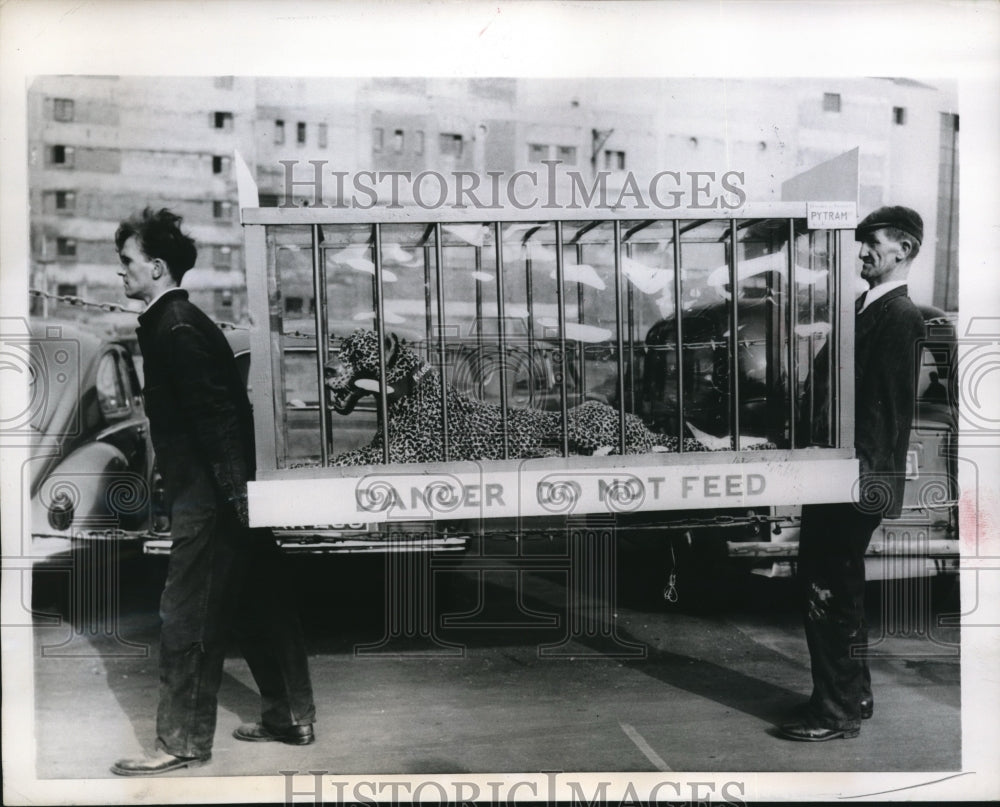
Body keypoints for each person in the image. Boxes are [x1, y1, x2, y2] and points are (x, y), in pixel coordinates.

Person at [110, 208, 316, 776]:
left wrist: (234, 500)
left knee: (186, 617)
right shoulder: (177, 320)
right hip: (221, 488)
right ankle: (290, 716)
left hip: (211, 494)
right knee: (259, 601)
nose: (119, 274)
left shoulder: (174, 327)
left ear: (155, 267)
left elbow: (219, 419)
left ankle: (180, 742)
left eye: (126, 263)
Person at [779, 206, 927, 742]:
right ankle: (853, 696)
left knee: (826, 589)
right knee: (840, 589)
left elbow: (882, 411)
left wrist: (852, 477)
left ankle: (835, 713)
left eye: (873, 243)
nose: (861, 252)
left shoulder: (899, 315)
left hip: (853, 478)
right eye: (860, 242)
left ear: (903, 250)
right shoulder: (870, 307)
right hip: (843, 473)